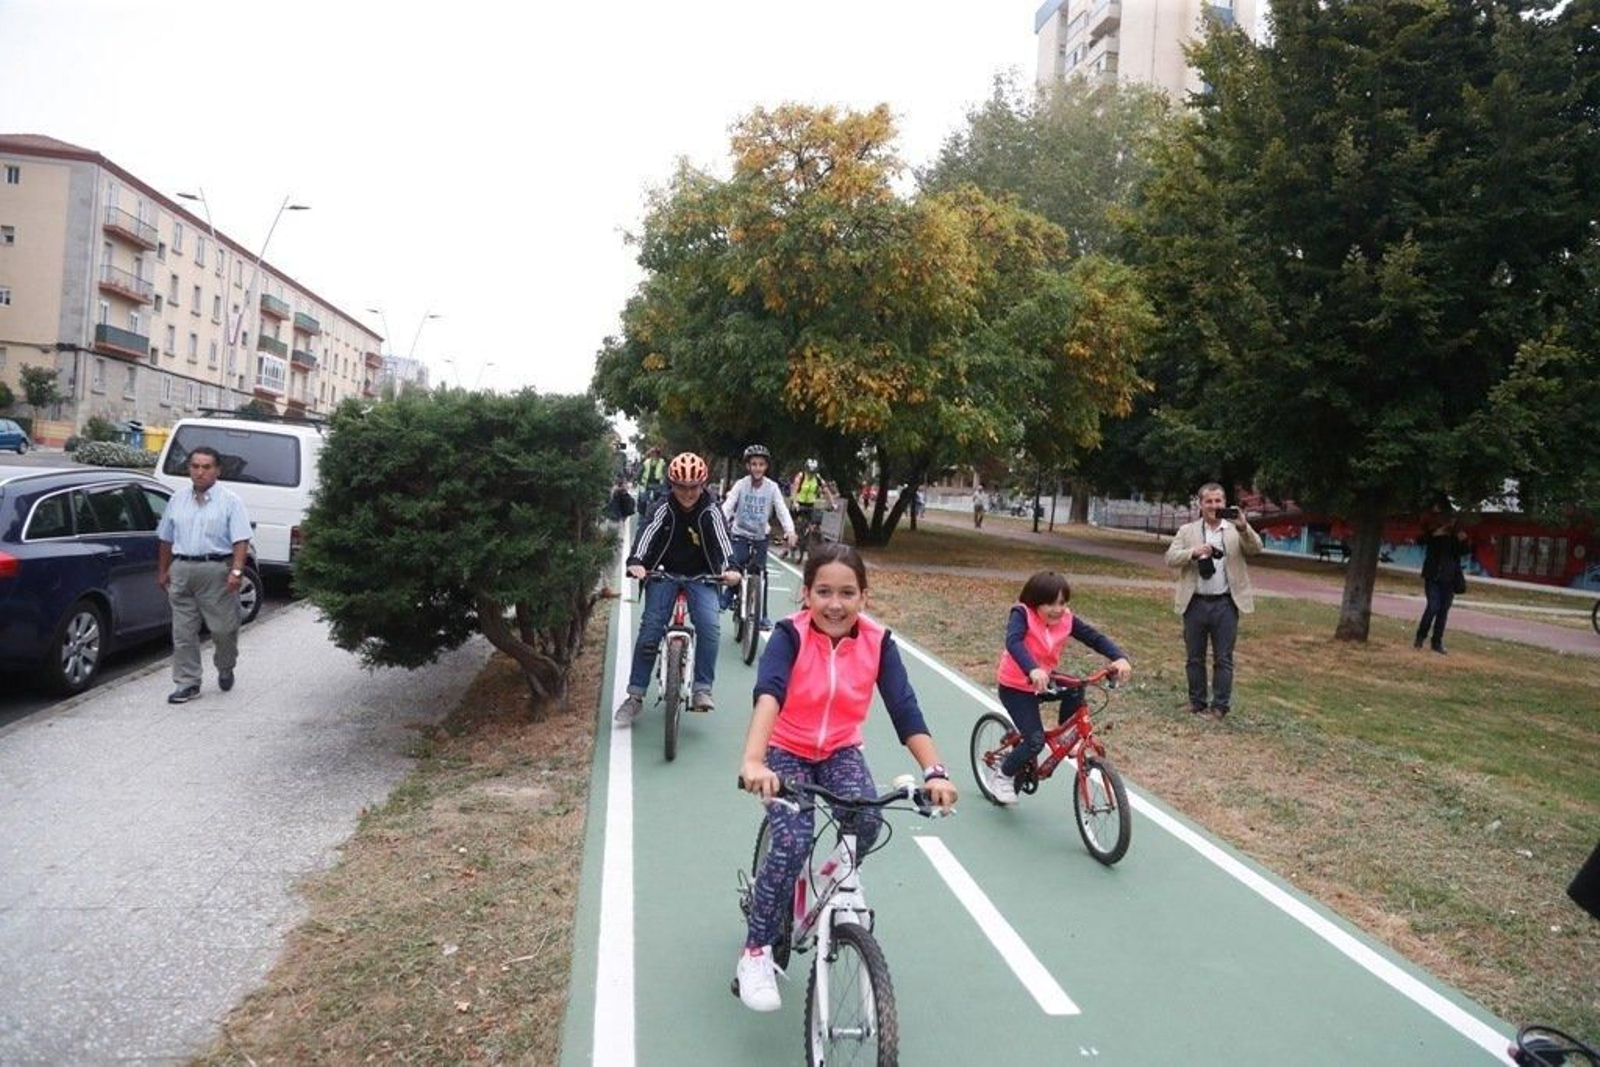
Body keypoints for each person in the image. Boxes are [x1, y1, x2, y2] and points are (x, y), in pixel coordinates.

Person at [733, 544, 958, 1012]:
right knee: (794, 840)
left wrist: (934, 771)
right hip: (787, 750)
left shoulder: (878, 642)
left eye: (847, 593)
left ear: (864, 597)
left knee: (868, 819)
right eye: (824, 592)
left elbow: (904, 708)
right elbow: (768, 695)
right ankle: (755, 951)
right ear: (805, 594)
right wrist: (755, 761)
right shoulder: (788, 636)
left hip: (839, 750)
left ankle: (823, 884)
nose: (835, 604)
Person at [614, 452, 741, 723]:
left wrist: (731, 567)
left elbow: (723, 540)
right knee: (651, 627)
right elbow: (647, 532)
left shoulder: (710, 509)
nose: (687, 493)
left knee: (710, 626)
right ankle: (635, 696)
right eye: (681, 486)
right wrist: (636, 560)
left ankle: (702, 689)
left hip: (702, 576)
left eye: (694, 487)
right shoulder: (663, 506)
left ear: (703, 485)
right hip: (663, 573)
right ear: (671, 485)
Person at [986, 572, 1132, 804]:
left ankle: (1066, 737)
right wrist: (1032, 669)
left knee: (1076, 687)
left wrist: (1118, 657)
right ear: (1034, 601)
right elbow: (1013, 642)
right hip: (1016, 684)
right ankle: (1002, 775)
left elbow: (1094, 638)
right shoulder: (1022, 613)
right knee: (1034, 741)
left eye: (1062, 603)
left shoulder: (1066, 619)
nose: (1057, 609)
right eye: (1050, 603)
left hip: (1046, 678)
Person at [156, 445, 253, 704]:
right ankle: (187, 682)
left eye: (206, 467)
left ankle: (225, 665)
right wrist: (163, 571)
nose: (200, 472)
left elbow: (241, 540)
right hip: (182, 569)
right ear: (189, 469)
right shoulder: (177, 499)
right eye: (195, 466)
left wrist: (236, 570)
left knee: (223, 629)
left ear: (217, 470)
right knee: (183, 632)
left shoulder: (230, 501)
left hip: (216, 572)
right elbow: (166, 538)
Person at [1164, 483, 1263, 719]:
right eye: (1208, 501)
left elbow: (1256, 548)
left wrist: (1244, 527)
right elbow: (1170, 557)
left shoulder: (1234, 530)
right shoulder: (1188, 531)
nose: (1213, 506)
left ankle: (1219, 706)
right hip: (1195, 601)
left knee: (1223, 658)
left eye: (1218, 501)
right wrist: (1194, 553)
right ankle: (1196, 701)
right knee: (1194, 657)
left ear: (1225, 503)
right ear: (1200, 504)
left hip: (1225, 603)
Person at [721, 444, 796, 627]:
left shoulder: (772, 488)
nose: (757, 468)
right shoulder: (741, 484)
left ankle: (762, 615)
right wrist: (720, 521)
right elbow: (728, 506)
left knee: (761, 575)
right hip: (740, 534)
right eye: (753, 464)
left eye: (761, 464)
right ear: (748, 466)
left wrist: (790, 530)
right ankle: (728, 595)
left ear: (766, 467)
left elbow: (781, 510)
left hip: (761, 537)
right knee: (736, 564)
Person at [1414, 506, 1471, 655]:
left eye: (1453, 519)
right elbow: (1420, 540)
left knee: (1443, 610)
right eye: (1449, 519)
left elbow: (1464, 552)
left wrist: (1464, 541)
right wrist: (1435, 534)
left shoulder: (1456, 537)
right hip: (1433, 577)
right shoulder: (1434, 533)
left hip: (1450, 579)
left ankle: (1437, 642)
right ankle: (1420, 637)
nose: (1451, 522)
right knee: (1433, 606)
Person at [789, 458, 836, 543]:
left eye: (813, 472)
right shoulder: (801, 476)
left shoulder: (817, 478)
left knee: (813, 524)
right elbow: (794, 489)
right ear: (806, 469)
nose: (811, 474)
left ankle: (809, 541)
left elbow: (826, 491)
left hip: (810, 504)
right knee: (791, 524)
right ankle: (787, 547)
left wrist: (832, 503)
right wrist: (795, 502)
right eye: (809, 472)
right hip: (798, 503)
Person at [637, 446, 667, 514]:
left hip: (658, 484)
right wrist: (638, 480)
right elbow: (640, 471)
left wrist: (665, 482)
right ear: (650, 454)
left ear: (658, 454)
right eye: (653, 453)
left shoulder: (662, 462)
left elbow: (665, 473)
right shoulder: (646, 462)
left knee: (659, 500)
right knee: (643, 500)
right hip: (646, 484)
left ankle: (658, 513)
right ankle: (642, 515)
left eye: (656, 453)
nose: (654, 455)